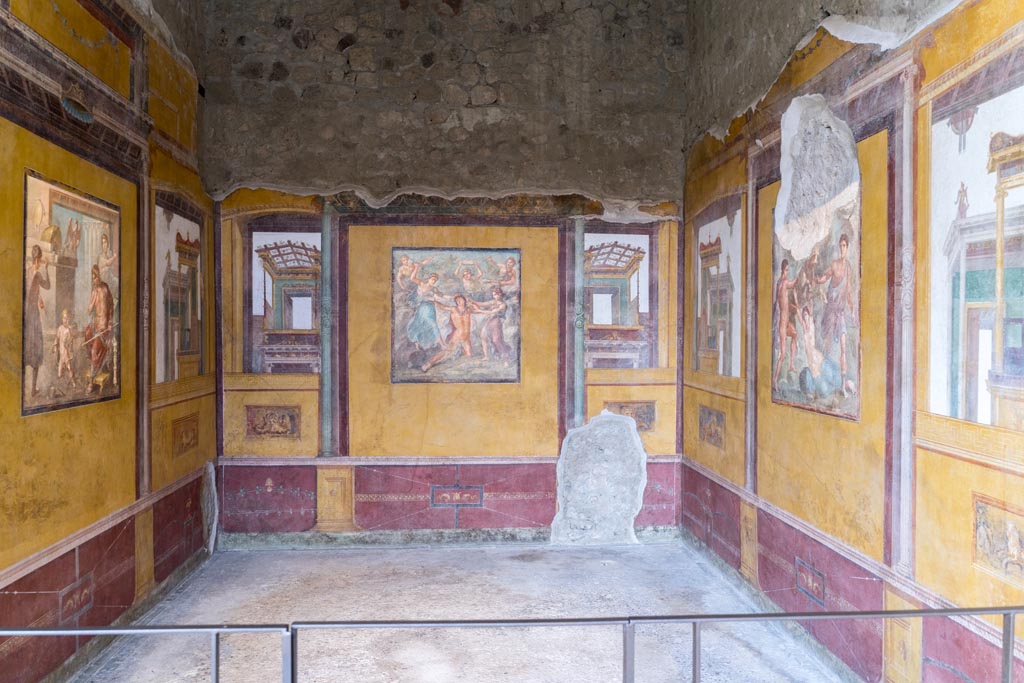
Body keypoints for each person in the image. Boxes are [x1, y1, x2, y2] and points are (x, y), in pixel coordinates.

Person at [816, 232, 855, 380]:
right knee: (827, 344)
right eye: (841, 246)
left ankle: (843, 383)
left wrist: (852, 311)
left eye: (844, 246)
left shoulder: (848, 269)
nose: (842, 249)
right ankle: (823, 374)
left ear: (848, 247)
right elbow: (825, 277)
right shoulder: (835, 264)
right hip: (831, 311)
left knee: (843, 346)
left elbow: (849, 291)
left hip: (840, 312)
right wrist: (817, 280)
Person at [797, 306, 855, 399]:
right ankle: (843, 386)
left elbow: (810, 311)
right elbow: (798, 314)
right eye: (804, 315)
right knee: (824, 392)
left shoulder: (811, 325)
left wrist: (809, 297)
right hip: (814, 368)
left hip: (820, 361)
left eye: (806, 314)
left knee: (832, 378)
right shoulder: (804, 328)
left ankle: (847, 384)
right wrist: (796, 300)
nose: (805, 317)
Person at [422, 294, 478, 371]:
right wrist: (434, 301)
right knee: (447, 351)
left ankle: (459, 351)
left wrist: (473, 304)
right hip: (457, 335)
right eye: (457, 300)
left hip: (466, 337)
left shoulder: (468, 310)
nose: (458, 301)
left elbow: (478, 310)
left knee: (469, 355)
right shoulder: (454, 309)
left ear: (464, 300)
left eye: (460, 299)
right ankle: (429, 363)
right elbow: (442, 307)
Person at [24, 244, 50, 397]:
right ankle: (33, 389)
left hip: (26, 315)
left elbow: (29, 291)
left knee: (27, 349)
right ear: (38, 259)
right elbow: (48, 286)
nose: (39, 262)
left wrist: (38, 297)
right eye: (40, 260)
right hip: (33, 316)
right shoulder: (38, 273)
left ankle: (26, 390)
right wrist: (46, 269)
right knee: (37, 348)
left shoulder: (26, 271)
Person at [85, 265, 115, 393]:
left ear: (98, 276)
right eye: (92, 279)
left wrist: (110, 322)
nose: (94, 281)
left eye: (95, 278)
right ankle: (94, 376)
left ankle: (91, 382)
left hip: (105, 327)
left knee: (95, 351)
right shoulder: (94, 291)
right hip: (97, 326)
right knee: (90, 345)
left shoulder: (105, 288)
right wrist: (92, 300)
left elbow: (111, 305)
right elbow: (89, 310)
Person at [772, 258, 798, 392]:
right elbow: (793, 284)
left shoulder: (778, 284)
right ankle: (775, 381)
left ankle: (792, 365)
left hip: (786, 321)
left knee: (794, 334)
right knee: (782, 354)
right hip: (782, 324)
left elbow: (784, 303)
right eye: (787, 270)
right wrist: (800, 274)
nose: (787, 272)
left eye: (788, 270)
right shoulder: (784, 283)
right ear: (783, 269)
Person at [406, 271, 444, 350]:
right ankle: (418, 344)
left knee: (433, 324)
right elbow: (412, 278)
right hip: (422, 307)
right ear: (429, 279)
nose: (433, 281)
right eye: (433, 279)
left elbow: (441, 295)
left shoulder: (434, 288)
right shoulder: (422, 284)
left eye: (435, 280)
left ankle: (441, 343)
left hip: (430, 307)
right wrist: (416, 267)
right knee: (420, 324)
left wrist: (441, 295)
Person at [476, 286, 512, 366]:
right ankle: (486, 356)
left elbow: (491, 312)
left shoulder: (503, 305)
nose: (494, 296)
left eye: (496, 294)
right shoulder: (493, 302)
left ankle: (506, 360)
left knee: (496, 341)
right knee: (483, 336)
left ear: (500, 295)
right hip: (489, 321)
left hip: (496, 322)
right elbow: (482, 304)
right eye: (493, 294)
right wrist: (471, 302)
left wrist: (479, 311)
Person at [53, 308, 77, 388]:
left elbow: (71, 340)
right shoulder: (59, 328)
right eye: (64, 318)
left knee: (69, 368)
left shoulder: (69, 329)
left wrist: (70, 344)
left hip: (66, 353)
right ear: (62, 319)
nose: (65, 320)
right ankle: (60, 385)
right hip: (61, 353)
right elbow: (57, 338)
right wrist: (55, 346)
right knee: (60, 370)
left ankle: (73, 383)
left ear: (69, 319)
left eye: (66, 318)